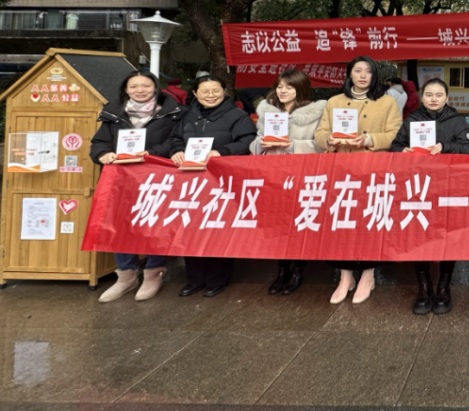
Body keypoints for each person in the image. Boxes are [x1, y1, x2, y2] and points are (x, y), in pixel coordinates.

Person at [90, 70, 186, 303]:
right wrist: (103, 154)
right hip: (122, 179)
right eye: (134, 86)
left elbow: (176, 142)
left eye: (145, 85)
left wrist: (150, 153)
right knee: (120, 224)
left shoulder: (172, 112)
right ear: (126, 89)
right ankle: (126, 275)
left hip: (157, 178)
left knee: (155, 222)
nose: (140, 90)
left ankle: (154, 272)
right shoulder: (114, 112)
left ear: (155, 87)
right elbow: (99, 142)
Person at [315, 56, 402, 305]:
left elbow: (395, 134)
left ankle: (367, 275)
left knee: (369, 222)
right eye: (357, 71)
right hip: (340, 171)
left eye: (368, 71)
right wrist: (329, 140)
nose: (363, 75)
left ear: (374, 75)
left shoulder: (386, 102)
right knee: (341, 222)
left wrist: (369, 139)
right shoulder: (334, 102)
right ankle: (345, 277)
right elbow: (320, 132)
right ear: (349, 74)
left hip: (372, 171)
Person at [391, 78, 469, 314]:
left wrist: (445, 147)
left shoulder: (457, 121)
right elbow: (395, 146)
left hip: (448, 187)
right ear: (422, 96)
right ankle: (424, 285)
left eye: (439, 95)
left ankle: (443, 286)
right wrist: (402, 151)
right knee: (418, 234)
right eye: (429, 94)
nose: (434, 99)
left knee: (447, 234)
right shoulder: (412, 120)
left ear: (447, 98)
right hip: (418, 188)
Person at [169, 74, 256, 297]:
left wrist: (223, 152)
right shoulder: (188, 115)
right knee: (191, 228)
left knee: (219, 228)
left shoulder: (238, 116)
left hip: (222, 181)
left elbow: (247, 141)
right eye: (205, 91)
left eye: (216, 90)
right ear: (195, 94)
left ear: (224, 92)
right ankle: (194, 279)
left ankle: (218, 279)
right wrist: (176, 151)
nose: (211, 95)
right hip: (192, 182)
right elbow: (176, 139)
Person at [251, 70, 327, 297]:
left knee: (300, 222)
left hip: (301, 176)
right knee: (277, 224)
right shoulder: (268, 112)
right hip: (273, 176)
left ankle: (299, 269)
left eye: (289, 87)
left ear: (301, 89)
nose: (283, 91)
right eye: (280, 86)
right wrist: (261, 144)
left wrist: (292, 145)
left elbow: (321, 146)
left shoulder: (315, 113)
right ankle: (282, 268)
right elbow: (255, 142)